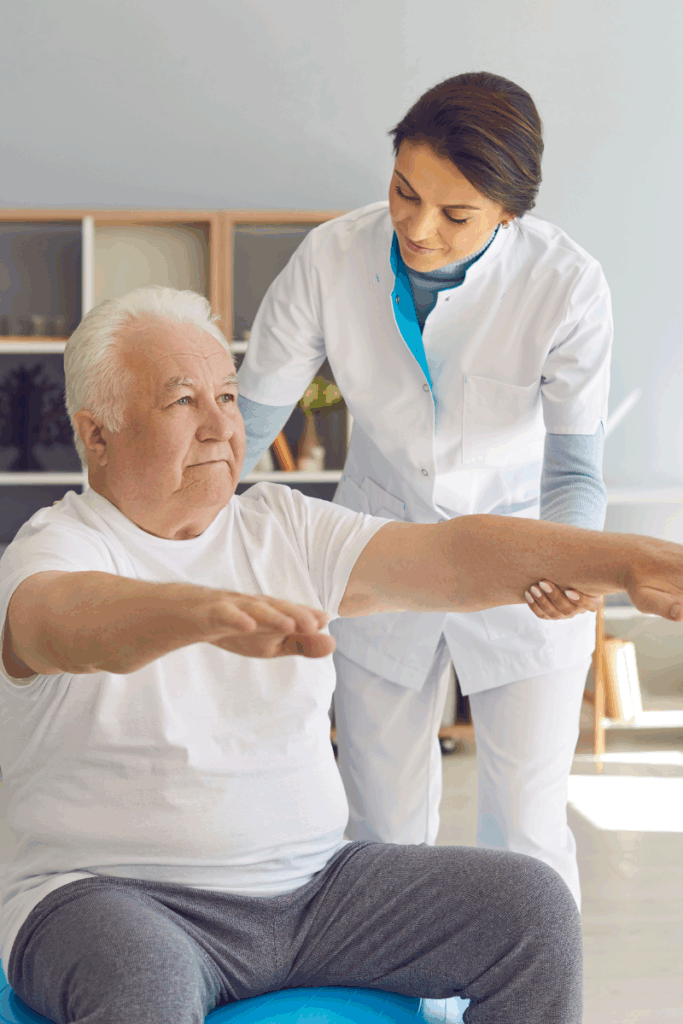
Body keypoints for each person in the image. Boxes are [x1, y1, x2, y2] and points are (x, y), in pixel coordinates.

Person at [2, 288, 682, 1024]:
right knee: (142, 978)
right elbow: (68, 621)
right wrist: (199, 612)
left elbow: (448, 555)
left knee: (529, 909)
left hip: (316, 891)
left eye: (227, 396)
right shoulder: (52, 546)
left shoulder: (279, 523)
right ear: (95, 434)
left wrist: (630, 561)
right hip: (113, 897)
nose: (219, 427)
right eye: (182, 402)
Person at [237, 71, 612, 906]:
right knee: (381, 827)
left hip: (522, 555)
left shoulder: (566, 284)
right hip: (380, 542)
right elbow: (248, 425)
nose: (416, 228)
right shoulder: (333, 256)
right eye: (404, 193)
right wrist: (171, 541)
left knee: (526, 832)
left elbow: (575, 467)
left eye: (455, 214)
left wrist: (572, 565)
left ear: (509, 214)